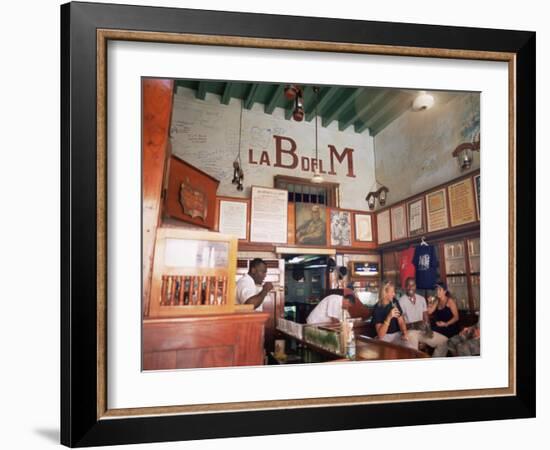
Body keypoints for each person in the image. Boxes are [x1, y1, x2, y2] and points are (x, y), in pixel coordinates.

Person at [398, 277, 448, 357]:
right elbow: (401, 324)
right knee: (414, 354)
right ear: (405, 287)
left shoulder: (421, 299)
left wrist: (428, 330)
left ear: (415, 286)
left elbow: (426, 318)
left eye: (412, 285)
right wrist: (415, 324)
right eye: (408, 285)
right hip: (410, 332)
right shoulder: (401, 301)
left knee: (443, 341)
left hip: (422, 331)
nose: (410, 288)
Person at [372, 280, 414, 348]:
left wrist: (404, 333)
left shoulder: (394, 302)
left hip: (397, 335)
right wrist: (389, 317)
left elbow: (401, 321)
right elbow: (380, 335)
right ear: (385, 293)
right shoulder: (377, 308)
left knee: (410, 346)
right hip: (385, 337)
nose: (394, 294)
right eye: (392, 292)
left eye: (394, 291)